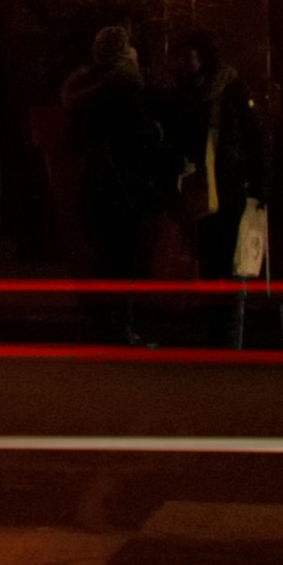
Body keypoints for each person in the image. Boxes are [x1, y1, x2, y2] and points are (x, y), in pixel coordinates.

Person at [61, 24, 182, 341]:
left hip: (95, 183)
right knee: (126, 258)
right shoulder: (125, 88)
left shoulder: (84, 91)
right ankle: (122, 325)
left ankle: (107, 324)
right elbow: (141, 137)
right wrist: (157, 133)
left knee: (105, 257)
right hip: (125, 185)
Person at [164, 31, 266, 344]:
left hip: (228, 185)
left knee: (229, 260)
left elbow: (254, 138)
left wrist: (260, 185)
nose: (182, 64)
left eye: (188, 57)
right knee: (209, 259)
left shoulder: (229, 90)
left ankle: (228, 332)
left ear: (203, 58)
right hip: (203, 185)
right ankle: (217, 331)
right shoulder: (187, 93)